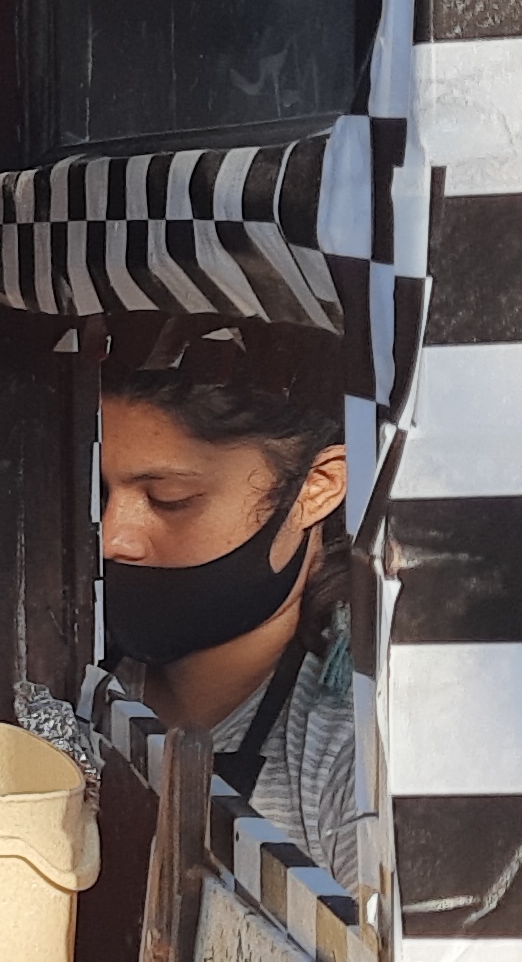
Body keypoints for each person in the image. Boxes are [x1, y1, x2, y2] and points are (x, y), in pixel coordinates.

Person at [91, 323, 365, 885]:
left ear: (318, 486)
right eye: (102, 494)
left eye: (171, 499)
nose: (113, 537)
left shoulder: (351, 751)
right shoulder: (78, 669)